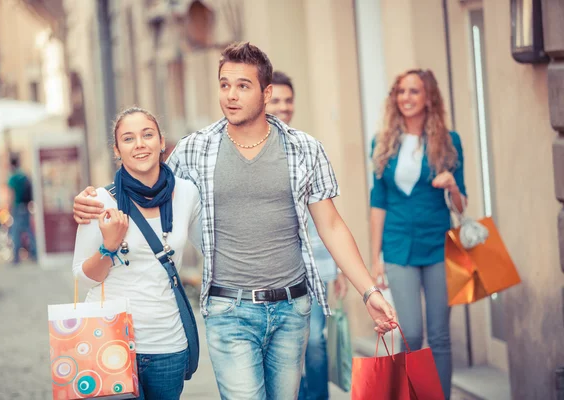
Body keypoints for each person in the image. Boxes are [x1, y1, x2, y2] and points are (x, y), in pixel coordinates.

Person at [73, 42, 396, 400]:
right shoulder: (196, 149)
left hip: (292, 308)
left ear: (266, 92)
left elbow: (331, 225)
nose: (231, 95)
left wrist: (369, 290)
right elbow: (148, 182)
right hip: (230, 310)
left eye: (243, 86)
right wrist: (95, 199)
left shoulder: (304, 148)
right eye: (224, 85)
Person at [72, 107, 201, 399]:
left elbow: (212, 243)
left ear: (161, 141)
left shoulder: (188, 193)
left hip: (168, 343)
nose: (140, 144)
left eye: (147, 135)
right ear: (117, 150)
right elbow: (81, 276)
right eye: (128, 139)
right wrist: (109, 246)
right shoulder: (100, 201)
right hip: (110, 340)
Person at [370, 68, 466, 398]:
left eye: (414, 91)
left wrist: (451, 183)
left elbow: (462, 204)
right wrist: (375, 258)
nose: (406, 98)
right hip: (397, 247)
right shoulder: (382, 142)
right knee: (410, 332)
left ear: (428, 98)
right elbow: (378, 203)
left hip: (438, 245)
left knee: (439, 336)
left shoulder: (448, 141)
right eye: (401, 92)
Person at [267, 70, 347, 400]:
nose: (284, 107)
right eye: (276, 101)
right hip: (271, 272)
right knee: (284, 353)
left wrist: (338, 267)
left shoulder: (306, 149)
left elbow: (325, 218)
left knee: (314, 343)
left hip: (312, 270)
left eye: (289, 101)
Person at [8, 156, 37, 264]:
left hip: (17, 206)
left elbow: (11, 194)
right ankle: (34, 253)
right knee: (28, 230)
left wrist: (10, 207)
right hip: (25, 206)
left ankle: (16, 257)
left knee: (15, 232)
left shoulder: (13, 177)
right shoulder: (24, 175)